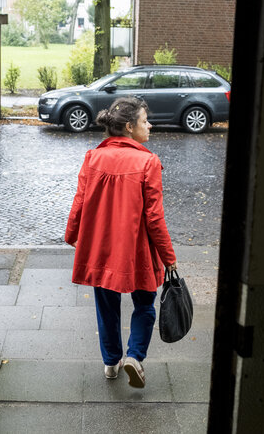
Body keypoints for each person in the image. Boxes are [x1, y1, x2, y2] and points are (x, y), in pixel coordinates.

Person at [65, 97, 177, 388]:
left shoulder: (92, 157)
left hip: (101, 247)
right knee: (145, 305)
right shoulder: (148, 161)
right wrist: (168, 256)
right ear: (129, 127)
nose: (149, 125)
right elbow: (154, 218)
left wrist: (72, 235)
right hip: (136, 251)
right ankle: (135, 357)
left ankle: (111, 363)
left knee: (106, 306)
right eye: (144, 121)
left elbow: (79, 202)